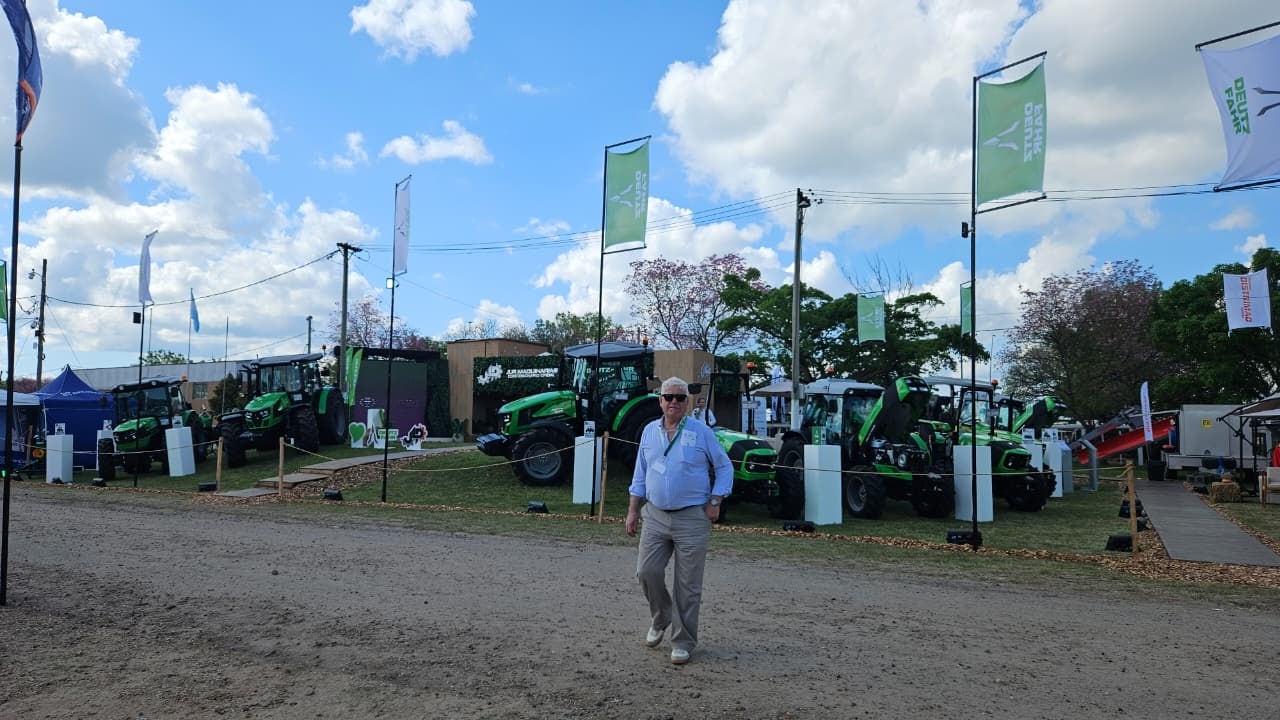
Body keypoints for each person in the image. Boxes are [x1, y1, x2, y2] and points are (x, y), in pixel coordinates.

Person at [626, 377, 733, 666]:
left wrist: (715, 500)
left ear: (687, 402)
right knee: (646, 572)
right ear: (659, 400)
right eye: (668, 397)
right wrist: (633, 510)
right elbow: (640, 474)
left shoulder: (701, 432)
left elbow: (724, 467)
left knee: (688, 584)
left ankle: (683, 641)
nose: (674, 402)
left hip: (691, 517)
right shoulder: (649, 432)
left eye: (680, 398)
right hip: (655, 515)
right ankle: (661, 618)